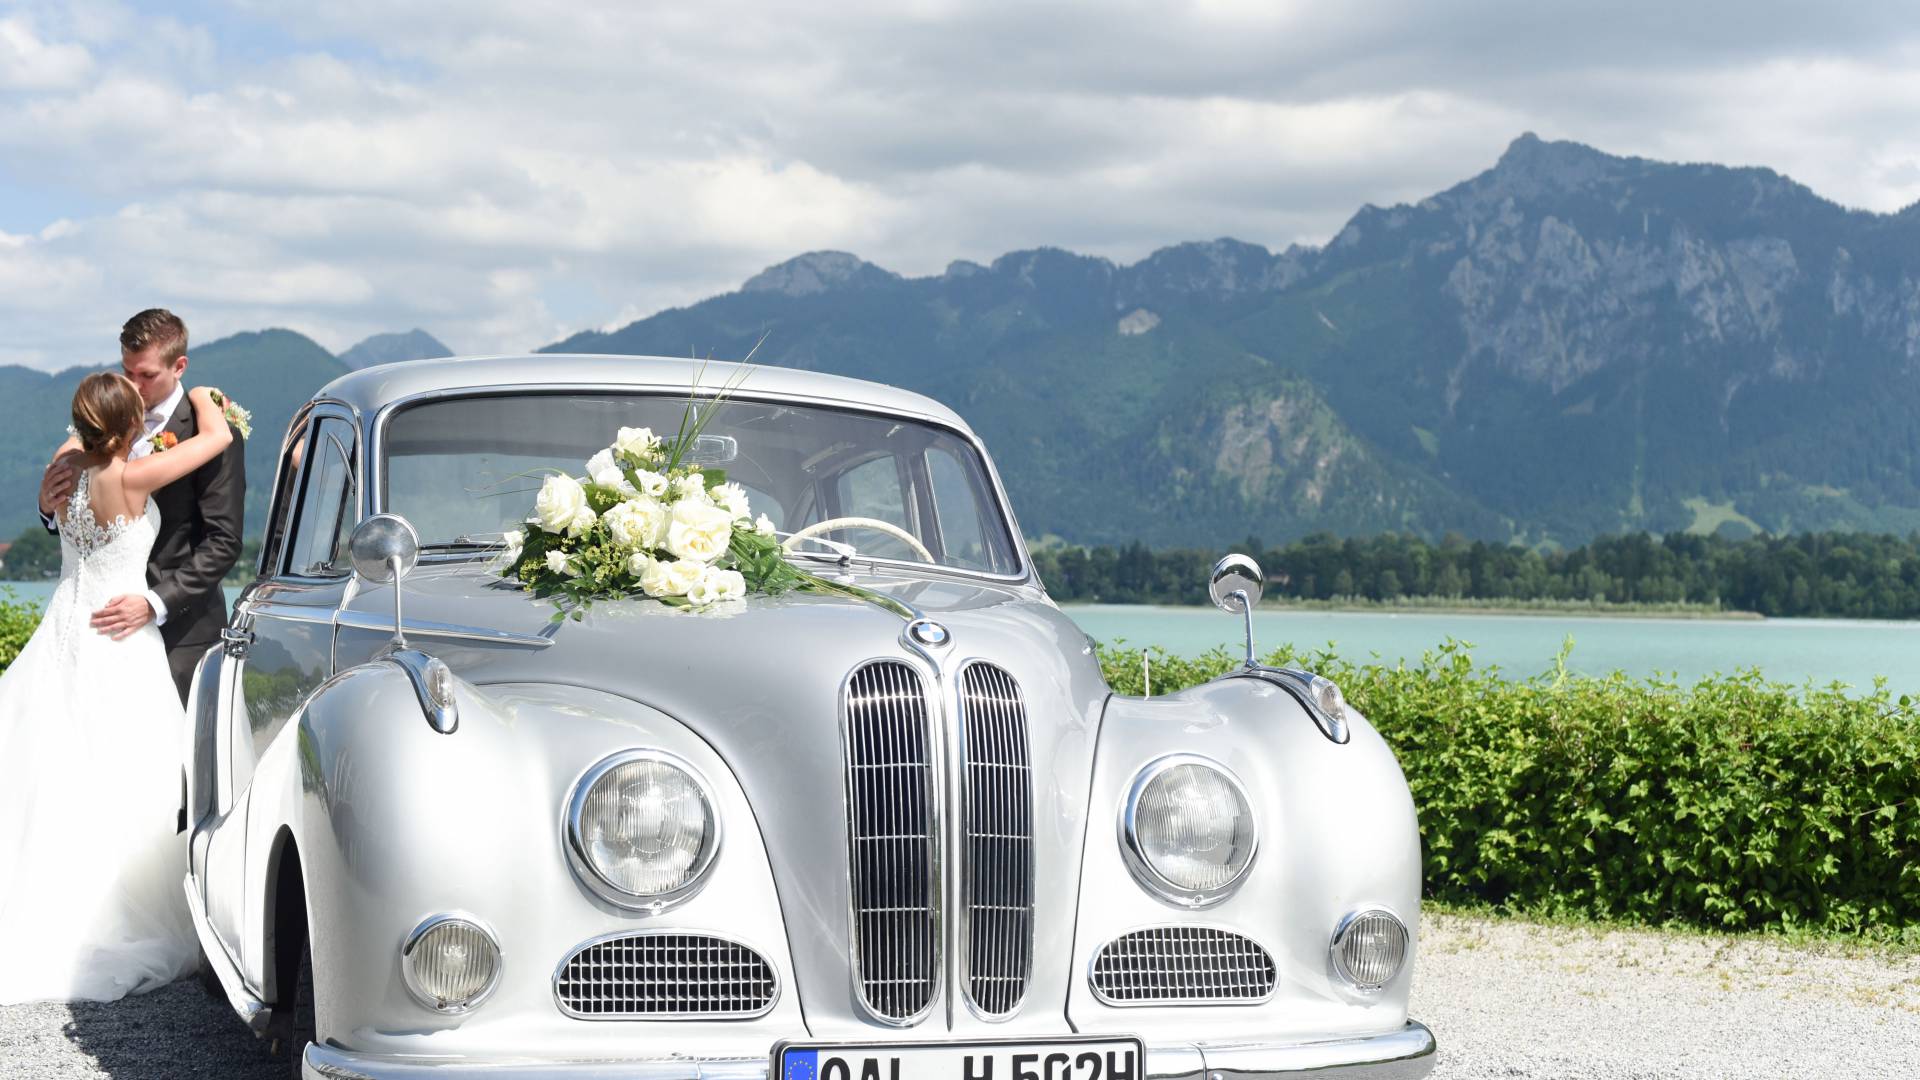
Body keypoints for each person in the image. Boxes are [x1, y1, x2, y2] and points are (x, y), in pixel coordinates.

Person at [0, 371, 232, 1003]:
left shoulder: (65, 470)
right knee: (126, 771)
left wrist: (59, 479)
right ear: (130, 426)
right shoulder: (131, 477)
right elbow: (212, 438)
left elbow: (59, 484)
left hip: (63, 631)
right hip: (120, 638)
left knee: (51, 767)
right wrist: (208, 398)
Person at [37, 309, 246, 703]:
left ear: (179, 365)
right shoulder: (97, 429)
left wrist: (155, 603)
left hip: (181, 634)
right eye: (127, 372)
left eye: (146, 375)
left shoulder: (211, 429)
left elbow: (223, 540)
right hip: (95, 629)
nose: (133, 386)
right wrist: (48, 506)